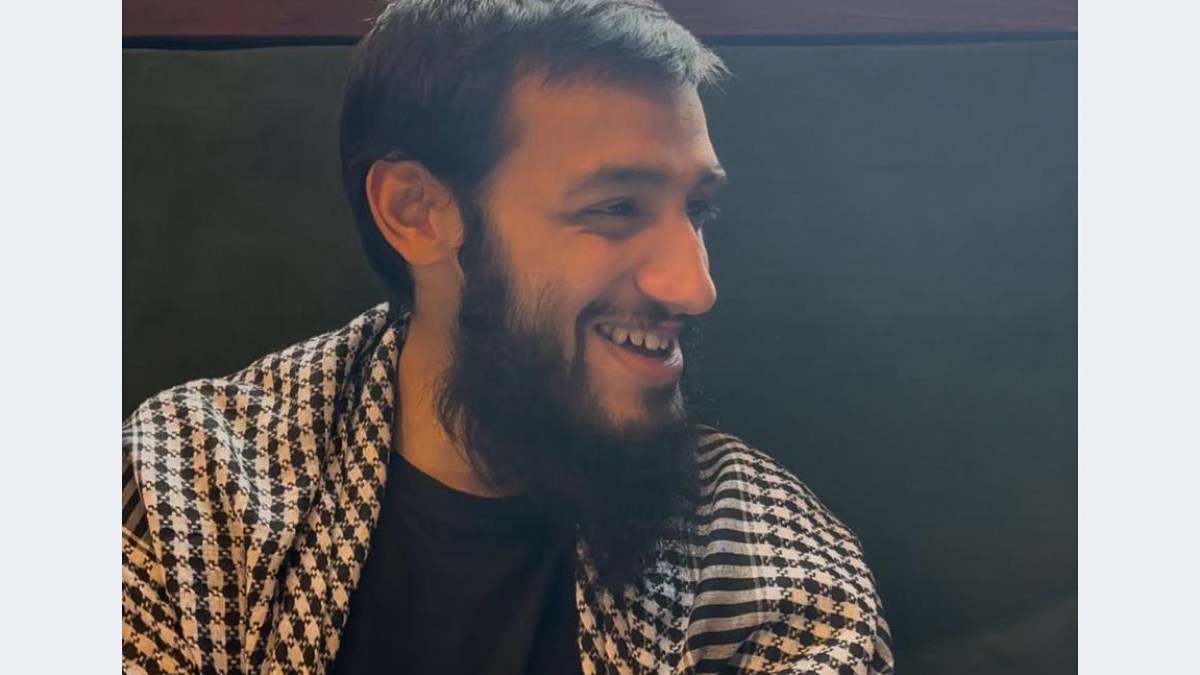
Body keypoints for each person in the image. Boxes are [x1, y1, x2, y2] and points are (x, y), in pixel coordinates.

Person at [121, 0, 894, 672]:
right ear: (417, 212)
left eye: (698, 210)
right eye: (617, 207)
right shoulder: (180, 495)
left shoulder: (771, 573)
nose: (695, 288)